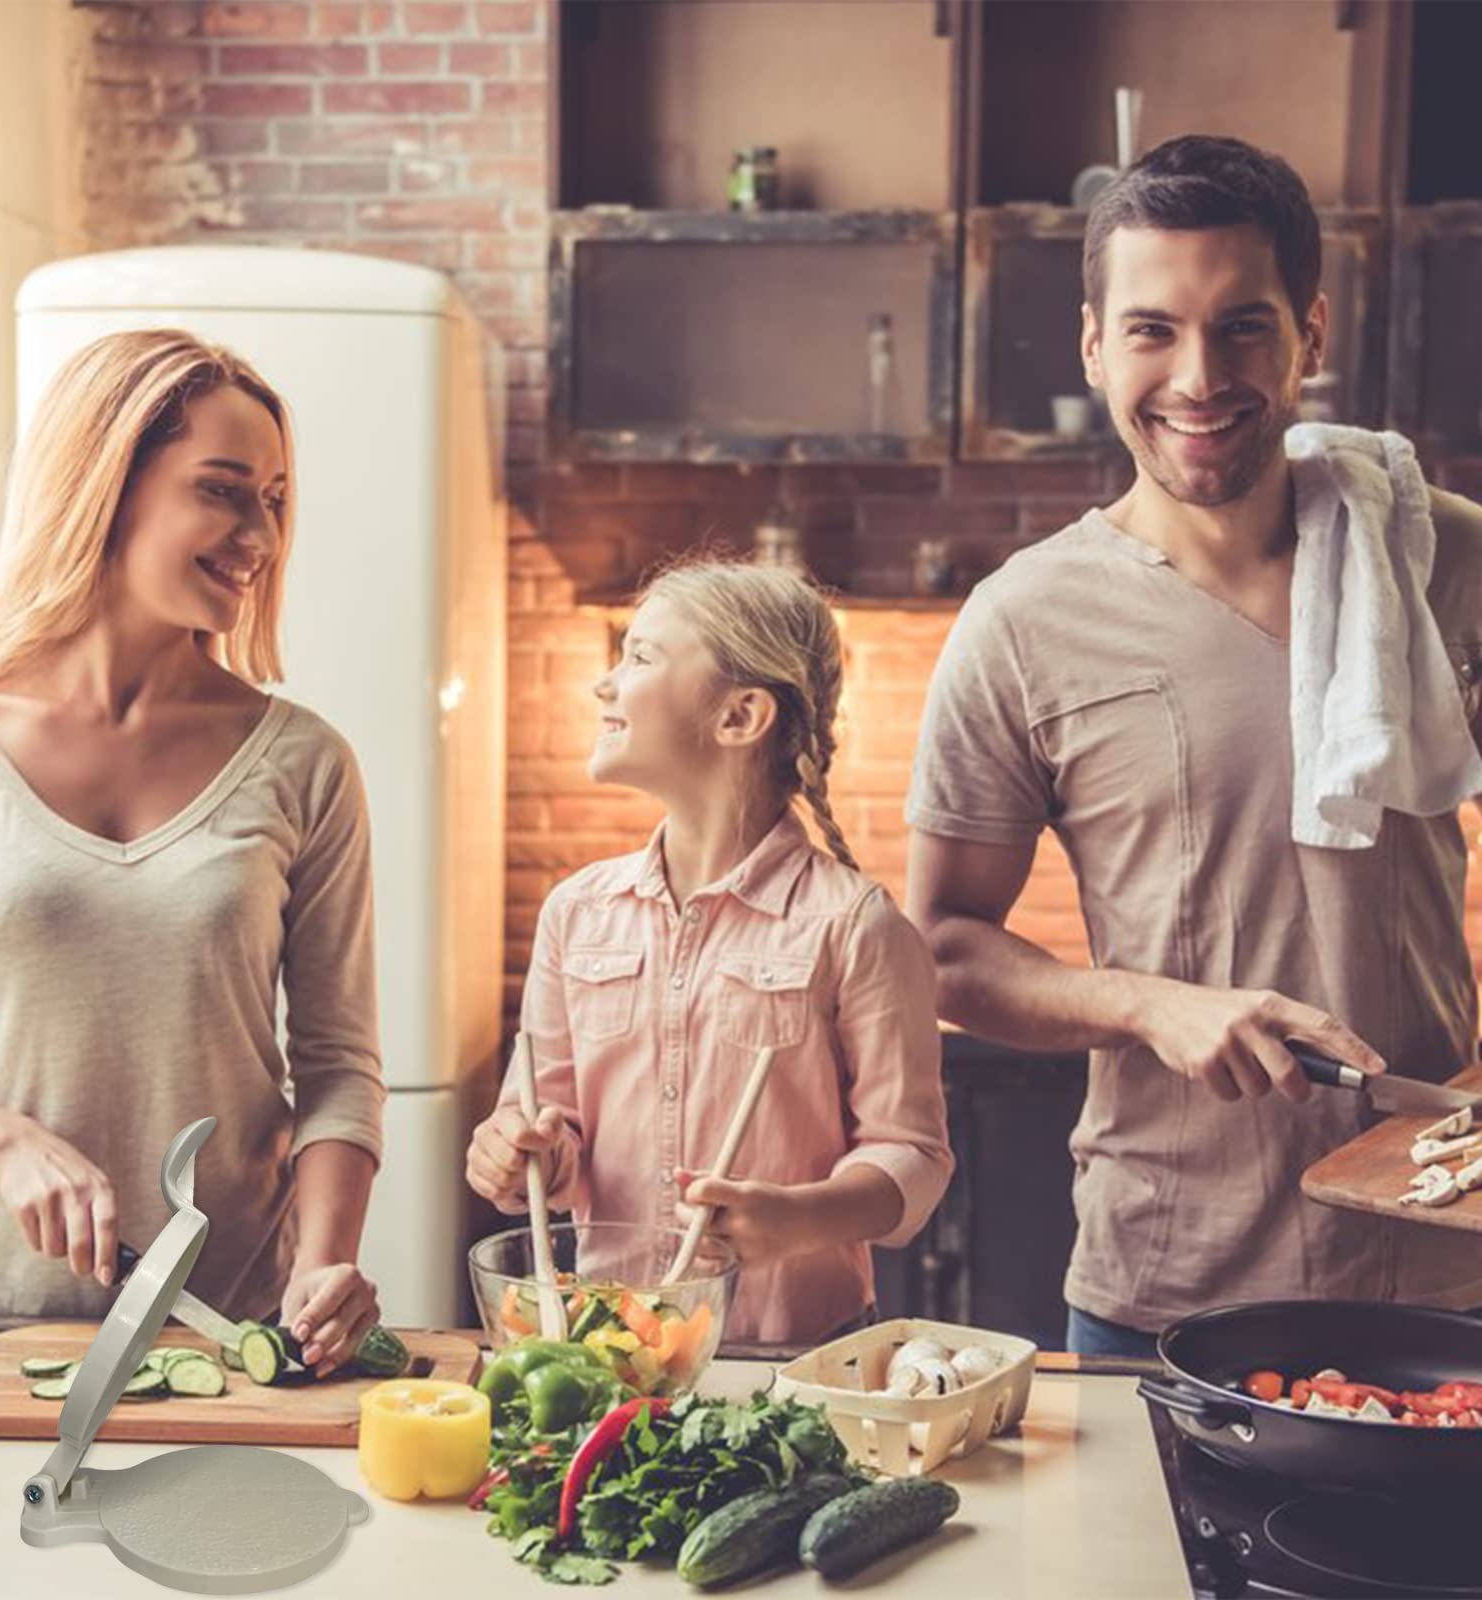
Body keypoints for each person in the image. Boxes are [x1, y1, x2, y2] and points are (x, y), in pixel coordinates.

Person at [904, 135, 1482, 1358]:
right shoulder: (1024, 620)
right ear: (1094, 347)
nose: (1198, 376)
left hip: (1446, 1265)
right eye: (1153, 329)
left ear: (1310, 335)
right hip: (1168, 1279)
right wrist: (1148, 1005)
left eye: (1244, 328)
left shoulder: (1443, 562)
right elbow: (943, 952)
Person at [0, 330, 386, 1376]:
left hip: (230, 1327)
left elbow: (339, 1068)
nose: (261, 534)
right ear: (106, 484)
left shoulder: (306, 762)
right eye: (223, 490)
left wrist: (325, 1261)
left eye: (277, 499)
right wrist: (3, 1139)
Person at [465, 560, 952, 1342]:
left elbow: (915, 1159)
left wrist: (798, 1218)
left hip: (796, 1353)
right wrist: (522, 1152)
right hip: (610, 1343)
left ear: (740, 716)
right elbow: (549, 1134)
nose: (605, 684)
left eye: (642, 657)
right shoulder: (577, 914)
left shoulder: (855, 925)